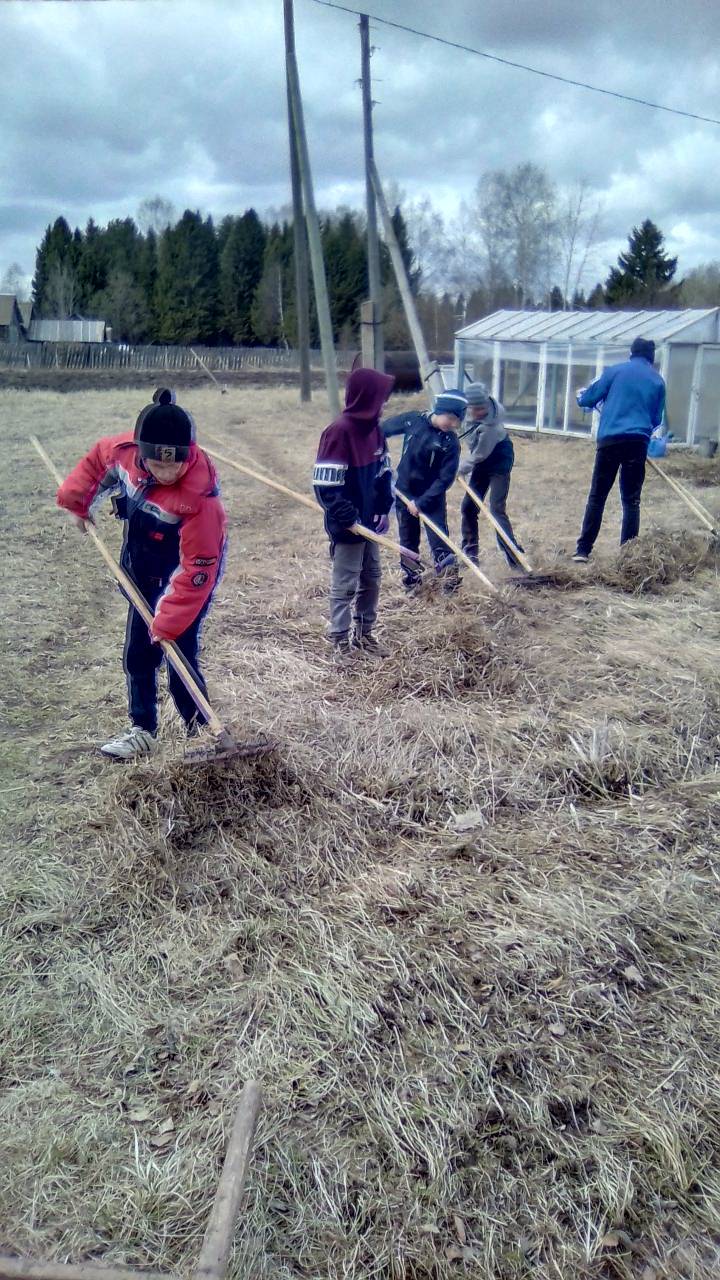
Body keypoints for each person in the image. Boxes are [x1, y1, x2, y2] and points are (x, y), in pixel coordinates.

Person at [56, 388, 227, 759]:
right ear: (140, 452)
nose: (166, 473)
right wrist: (78, 502)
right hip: (140, 571)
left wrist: (167, 621)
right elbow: (97, 464)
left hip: (184, 582)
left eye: (175, 465)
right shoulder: (124, 455)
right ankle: (142, 730)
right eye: (157, 464)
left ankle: (201, 731)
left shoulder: (200, 501)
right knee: (138, 654)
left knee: (179, 653)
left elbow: (197, 568)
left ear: (189, 455)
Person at [313, 367, 395, 660]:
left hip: (370, 522)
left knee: (372, 577)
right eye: (381, 398)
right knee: (346, 583)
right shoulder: (338, 432)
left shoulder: (376, 432)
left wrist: (384, 508)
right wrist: (348, 518)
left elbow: (384, 474)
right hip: (347, 526)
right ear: (365, 398)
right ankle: (339, 641)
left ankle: (365, 634)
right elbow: (327, 488)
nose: (385, 404)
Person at [573, 337, 666, 562]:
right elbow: (656, 419)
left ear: (631, 353)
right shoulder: (658, 381)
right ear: (651, 358)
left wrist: (584, 397)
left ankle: (583, 551)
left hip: (610, 440)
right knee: (631, 500)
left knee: (598, 496)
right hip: (637, 442)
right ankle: (628, 556)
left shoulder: (614, 371)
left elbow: (588, 398)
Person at [382, 389, 467, 593]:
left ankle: (449, 584)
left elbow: (445, 478)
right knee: (408, 539)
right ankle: (413, 581)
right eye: (451, 418)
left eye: (457, 421)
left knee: (439, 539)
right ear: (440, 410)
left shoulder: (450, 442)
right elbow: (381, 430)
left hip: (432, 497)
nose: (453, 424)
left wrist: (421, 503)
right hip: (404, 492)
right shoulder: (413, 420)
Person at [459, 382, 525, 570]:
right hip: (481, 460)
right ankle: (470, 553)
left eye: (482, 408)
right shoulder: (465, 413)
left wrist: (459, 469)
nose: (479, 412)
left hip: (499, 460)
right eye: (475, 408)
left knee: (496, 509)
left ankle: (515, 558)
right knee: (468, 507)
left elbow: (479, 454)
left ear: (488, 403)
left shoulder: (491, 426)